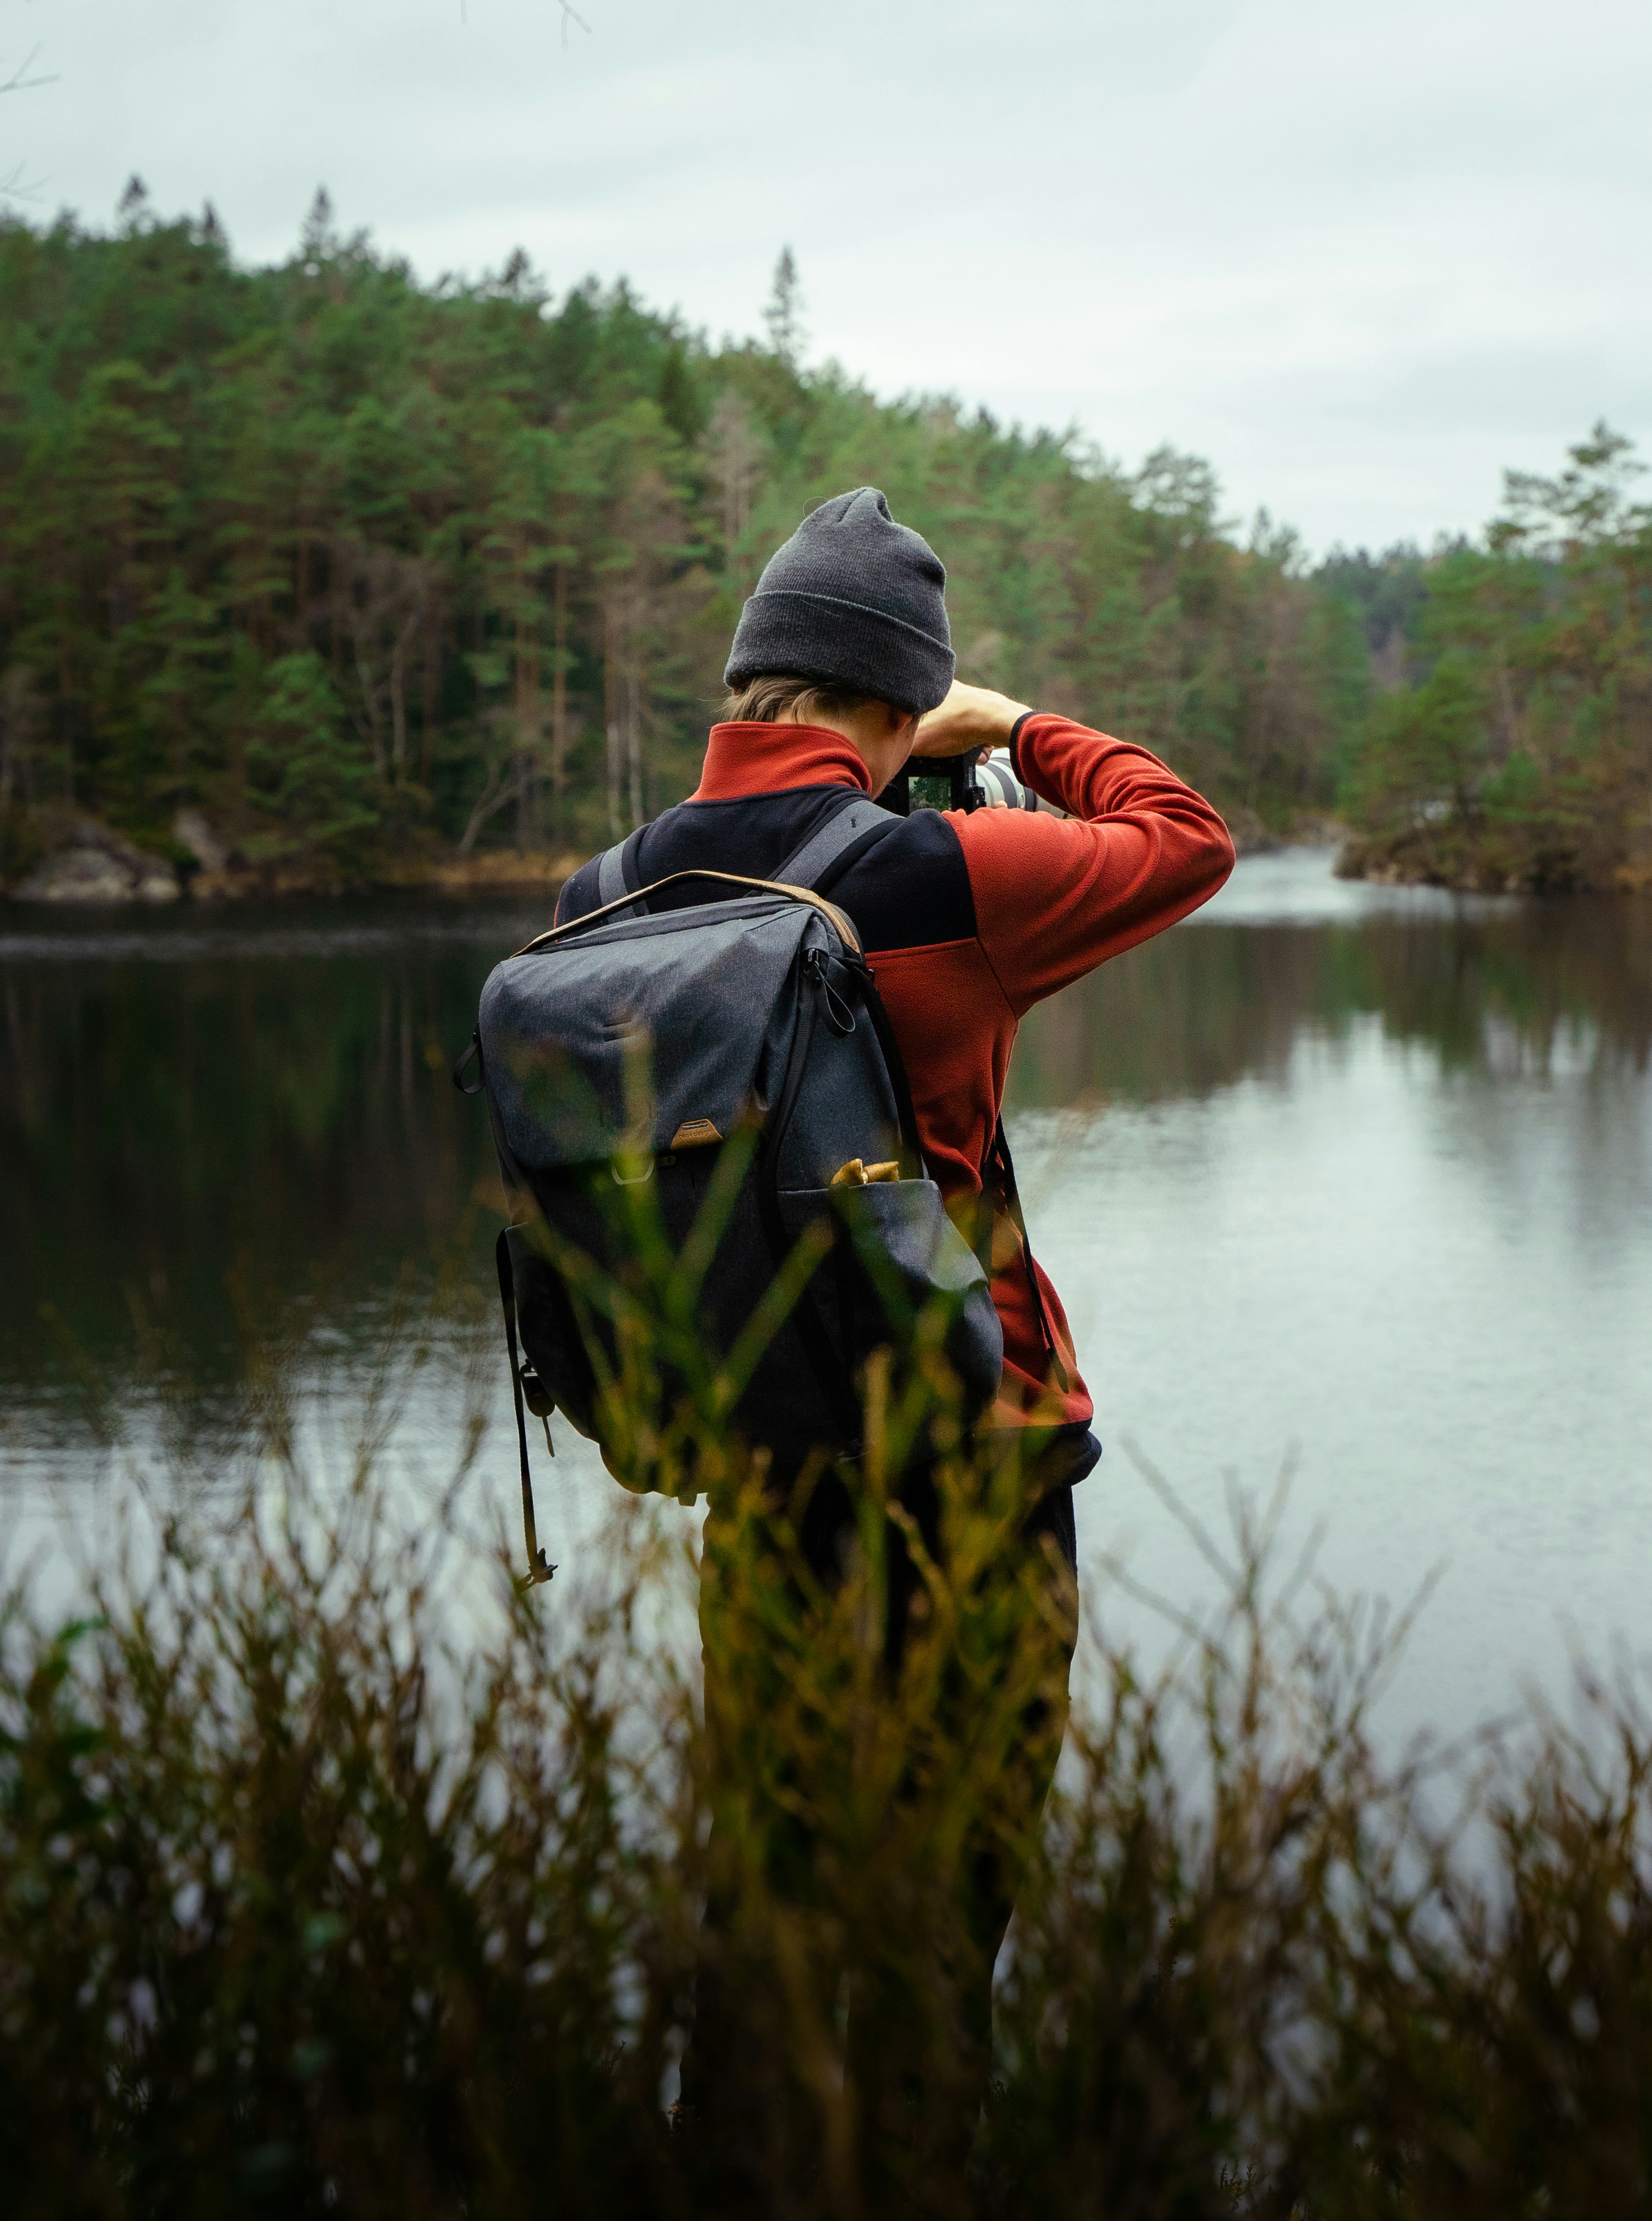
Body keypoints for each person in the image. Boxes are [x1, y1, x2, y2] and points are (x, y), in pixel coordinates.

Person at [551, 486, 1232, 2182]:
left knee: (762, 1892)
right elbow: (1187, 837)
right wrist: (1021, 730)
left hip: (760, 1466)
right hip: (976, 1460)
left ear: (750, 681)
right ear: (897, 693)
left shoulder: (608, 887)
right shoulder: (936, 870)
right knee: (943, 1912)